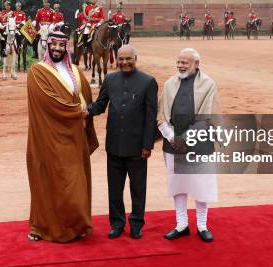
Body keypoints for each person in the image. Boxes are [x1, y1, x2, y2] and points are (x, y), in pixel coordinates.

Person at [26, 31, 99, 242]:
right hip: (49, 138)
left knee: (74, 182)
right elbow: (50, 101)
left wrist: (90, 110)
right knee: (49, 181)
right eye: (54, 45)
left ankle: (75, 226)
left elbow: (87, 96)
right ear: (47, 46)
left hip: (74, 137)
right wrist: (79, 112)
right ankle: (42, 227)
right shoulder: (37, 72)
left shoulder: (76, 71)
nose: (57, 48)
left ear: (66, 47)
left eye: (61, 45)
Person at [86, 45, 158, 240]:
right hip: (115, 144)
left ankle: (136, 223)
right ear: (115, 60)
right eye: (121, 59)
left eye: (128, 58)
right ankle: (116, 223)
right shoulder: (109, 79)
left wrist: (147, 145)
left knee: (137, 188)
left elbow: (151, 118)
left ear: (136, 58)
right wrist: (87, 109)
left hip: (137, 147)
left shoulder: (148, 82)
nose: (125, 62)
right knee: (115, 189)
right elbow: (101, 105)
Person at [157, 48, 218, 243]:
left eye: (185, 63)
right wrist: (171, 136)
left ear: (196, 64)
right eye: (179, 62)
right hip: (173, 144)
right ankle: (181, 224)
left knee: (202, 185)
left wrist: (186, 138)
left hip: (199, 143)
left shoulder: (209, 85)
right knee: (178, 185)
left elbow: (208, 117)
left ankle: (202, 225)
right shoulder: (169, 84)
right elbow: (161, 115)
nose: (181, 66)